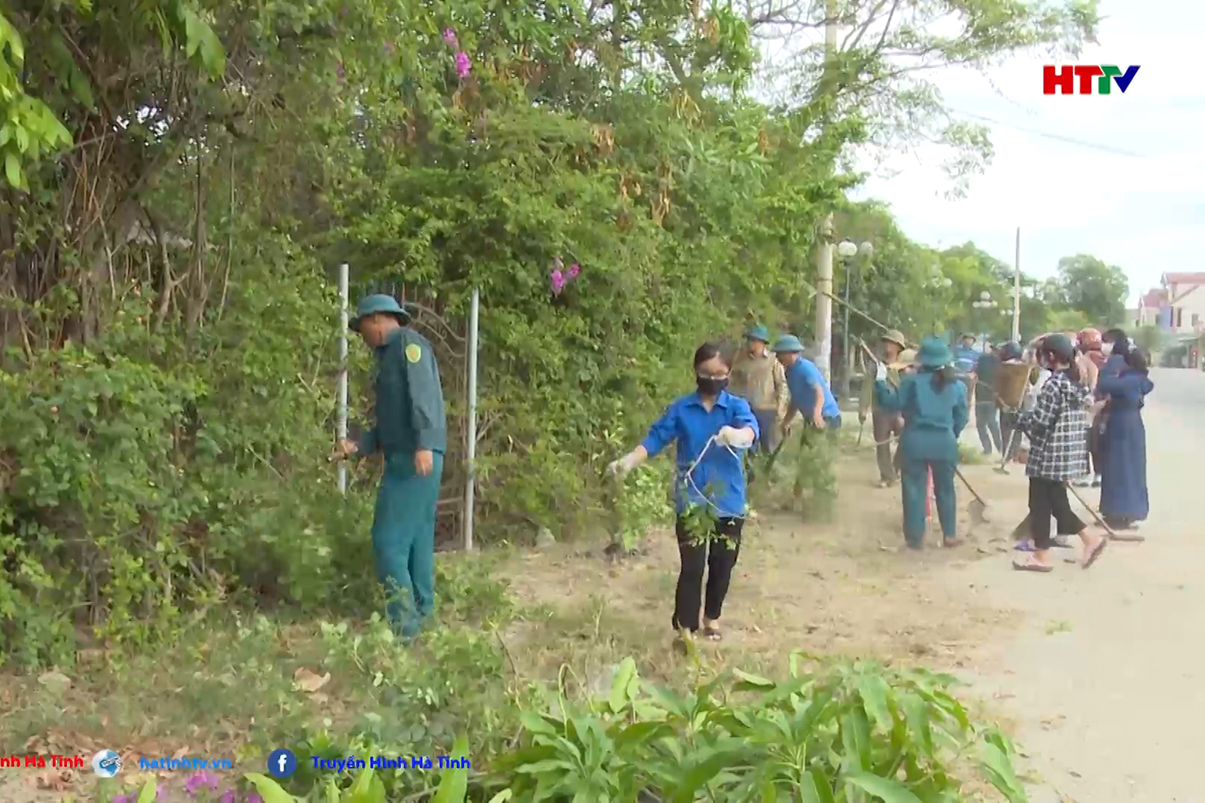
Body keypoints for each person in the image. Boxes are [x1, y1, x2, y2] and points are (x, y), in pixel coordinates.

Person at [608, 343, 759, 650]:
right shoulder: (681, 409)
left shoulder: (736, 407)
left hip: (727, 500)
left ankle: (712, 617)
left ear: (729, 373)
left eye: (719, 374)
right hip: (691, 499)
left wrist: (737, 435)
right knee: (692, 566)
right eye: (706, 373)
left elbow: (751, 433)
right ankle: (685, 629)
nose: (712, 379)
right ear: (695, 372)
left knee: (723, 563)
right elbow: (655, 439)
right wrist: (628, 461)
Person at [332, 294, 447, 640]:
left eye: (363, 326)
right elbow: (392, 422)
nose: (362, 335)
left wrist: (425, 443)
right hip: (410, 456)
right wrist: (359, 445)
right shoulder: (389, 357)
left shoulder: (408, 346)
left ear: (379, 319)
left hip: (415, 459)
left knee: (388, 541)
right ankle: (423, 616)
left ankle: (404, 627)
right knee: (416, 541)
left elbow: (422, 395)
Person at [1010, 333, 1107, 572]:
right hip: (1067, 455)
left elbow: (1041, 420)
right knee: (1055, 503)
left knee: (1041, 504)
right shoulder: (1077, 383)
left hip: (1048, 454)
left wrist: (1019, 420)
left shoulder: (1053, 385)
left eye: (1043, 354)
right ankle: (1085, 542)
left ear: (1051, 356)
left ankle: (1046, 555)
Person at [874, 336, 968, 550]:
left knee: (914, 489)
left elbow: (891, 404)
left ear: (922, 360)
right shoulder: (958, 386)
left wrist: (880, 382)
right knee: (946, 490)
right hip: (944, 442)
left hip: (914, 441)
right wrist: (951, 433)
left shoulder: (911, 382)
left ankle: (915, 539)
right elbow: (961, 416)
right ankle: (950, 535)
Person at [774, 334, 842, 505]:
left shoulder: (805, 368)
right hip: (811, 419)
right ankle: (796, 498)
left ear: (790, 353)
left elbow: (818, 393)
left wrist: (817, 413)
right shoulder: (789, 372)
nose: (777, 357)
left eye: (779, 354)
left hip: (827, 417)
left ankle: (823, 500)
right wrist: (786, 421)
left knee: (819, 459)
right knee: (804, 457)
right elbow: (795, 399)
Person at [1097, 348, 1153, 531]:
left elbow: (1103, 384)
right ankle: (1124, 512)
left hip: (1121, 427)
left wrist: (1111, 364)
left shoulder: (1129, 380)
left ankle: (1119, 513)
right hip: (1132, 426)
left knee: (1119, 470)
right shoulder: (1139, 379)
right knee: (1130, 470)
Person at [729, 325, 788, 456]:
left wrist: (781, 407)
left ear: (761, 342)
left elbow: (781, 385)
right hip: (746, 408)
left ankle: (768, 473)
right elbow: (732, 382)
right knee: (748, 446)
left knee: (768, 446)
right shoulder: (740, 359)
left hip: (766, 410)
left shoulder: (773, 361)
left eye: (753, 340)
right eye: (749, 340)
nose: (750, 343)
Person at [859, 329, 907, 487]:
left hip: (900, 409)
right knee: (881, 443)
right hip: (880, 409)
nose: (887, 346)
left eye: (891, 343)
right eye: (886, 342)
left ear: (898, 346)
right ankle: (887, 476)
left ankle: (895, 469)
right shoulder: (876, 364)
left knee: (906, 439)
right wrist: (863, 408)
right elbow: (867, 386)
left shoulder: (905, 366)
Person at [1075, 328, 1105, 487]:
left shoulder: (1085, 359)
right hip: (1104, 402)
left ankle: (1085, 473)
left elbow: (1088, 379)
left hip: (1088, 403)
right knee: (1097, 441)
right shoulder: (1105, 358)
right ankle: (1099, 474)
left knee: (1084, 440)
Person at [973, 341, 1003, 456]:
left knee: (982, 423)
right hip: (990, 396)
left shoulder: (982, 360)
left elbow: (975, 371)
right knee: (991, 422)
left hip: (981, 394)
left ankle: (988, 448)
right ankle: (999, 447)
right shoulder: (999, 364)